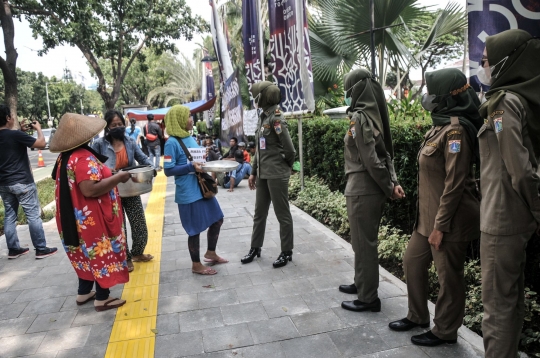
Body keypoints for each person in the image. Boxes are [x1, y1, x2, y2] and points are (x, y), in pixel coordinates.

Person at [388, 69, 482, 346]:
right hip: (426, 218)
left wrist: (440, 227)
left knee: (448, 278)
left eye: (432, 91)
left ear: (446, 96)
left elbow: (454, 185)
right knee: (412, 262)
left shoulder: (456, 131)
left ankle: (445, 330)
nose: (427, 97)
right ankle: (417, 315)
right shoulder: (439, 126)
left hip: (449, 220)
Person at [477, 29, 540, 358]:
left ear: (505, 62)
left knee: (497, 310)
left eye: (485, 60)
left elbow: (519, 168)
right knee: (511, 301)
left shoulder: (503, 105)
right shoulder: (517, 99)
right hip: (514, 217)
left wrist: (537, 210)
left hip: (502, 220)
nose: (481, 65)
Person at [338, 69, 405, 313]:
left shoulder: (360, 118)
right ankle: (361, 283)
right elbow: (384, 152)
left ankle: (368, 298)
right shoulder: (372, 115)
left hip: (363, 189)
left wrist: (389, 187)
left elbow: (371, 160)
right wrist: (393, 182)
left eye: (348, 90)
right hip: (366, 188)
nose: (346, 95)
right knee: (361, 241)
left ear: (356, 91)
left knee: (364, 243)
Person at [50, 113, 131, 311]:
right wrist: (118, 178)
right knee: (99, 253)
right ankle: (102, 297)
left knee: (83, 253)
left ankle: (84, 292)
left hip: (73, 217)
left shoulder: (65, 156)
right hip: (91, 219)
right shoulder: (83, 157)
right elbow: (90, 189)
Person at [163, 105, 227, 275]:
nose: (192, 119)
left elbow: (193, 158)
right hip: (188, 191)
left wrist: (202, 157)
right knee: (194, 229)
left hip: (201, 187)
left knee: (217, 219)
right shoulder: (171, 143)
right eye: (188, 116)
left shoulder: (189, 137)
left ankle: (210, 252)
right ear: (179, 120)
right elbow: (168, 170)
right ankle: (196, 264)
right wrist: (190, 166)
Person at [241, 81, 296, 268]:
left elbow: (290, 149)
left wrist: (286, 165)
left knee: (282, 214)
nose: (255, 98)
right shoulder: (263, 117)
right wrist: (253, 172)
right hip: (263, 173)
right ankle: (255, 247)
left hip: (276, 173)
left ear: (264, 96)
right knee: (259, 213)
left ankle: (286, 251)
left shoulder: (276, 118)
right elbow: (259, 148)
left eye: (256, 95)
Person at [92, 110, 155, 273]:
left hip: (131, 188)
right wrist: (106, 171)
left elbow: (143, 158)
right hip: (111, 190)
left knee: (139, 223)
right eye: (114, 125)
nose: (118, 127)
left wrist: (151, 168)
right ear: (107, 126)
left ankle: (137, 253)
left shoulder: (130, 141)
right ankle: (125, 258)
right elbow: (93, 166)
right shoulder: (99, 144)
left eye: (120, 124)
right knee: (120, 228)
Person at [0, 105, 57, 259]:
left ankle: (13, 249)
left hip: (4, 184)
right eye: (12, 116)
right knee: (33, 216)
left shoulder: (14, 135)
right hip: (22, 182)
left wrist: (20, 133)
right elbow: (40, 143)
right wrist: (38, 128)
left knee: (10, 216)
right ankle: (41, 248)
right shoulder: (14, 135)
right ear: (7, 118)